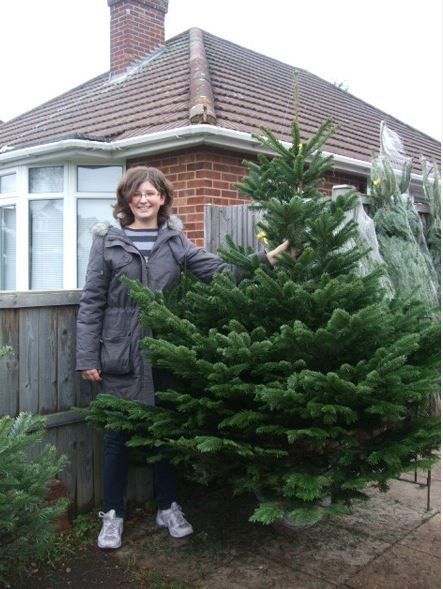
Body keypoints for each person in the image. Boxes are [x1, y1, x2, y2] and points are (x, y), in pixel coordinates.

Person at [76, 166, 289, 550]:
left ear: (162, 199)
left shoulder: (175, 242)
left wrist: (264, 261)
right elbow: (92, 301)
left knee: (166, 436)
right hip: (119, 355)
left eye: (151, 193)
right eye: (136, 194)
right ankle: (112, 514)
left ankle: (167, 507)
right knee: (117, 438)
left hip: (165, 354)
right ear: (126, 200)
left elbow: (219, 271)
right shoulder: (107, 242)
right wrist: (87, 356)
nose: (143, 200)